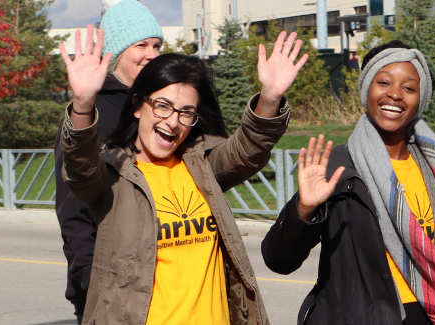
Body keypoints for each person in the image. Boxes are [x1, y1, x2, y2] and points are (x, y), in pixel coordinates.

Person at [58, 25, 307, 324]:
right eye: (162, 106)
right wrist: (83, 104)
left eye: (186, 112)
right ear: (137, 105)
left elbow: (249, 148)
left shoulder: (201, 163)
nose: (173, 122)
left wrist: (270, 97)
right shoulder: (113, 174)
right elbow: (79, 166)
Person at [261, 40, 435, 325]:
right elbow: (278, 260)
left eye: (408, 88)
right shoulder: (339, 170)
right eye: (383, 82)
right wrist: (303, 210)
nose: (395, 94)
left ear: (421, 100)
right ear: (366, 89)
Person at [52, 0, 163, 321]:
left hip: (165, 276)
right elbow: (72, 209)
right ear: (115, 52)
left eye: (156, 45)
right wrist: (87, 279)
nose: (152, 54)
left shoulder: (161, 105)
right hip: (111, 281)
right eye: (140, 45)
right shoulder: (89, 113)